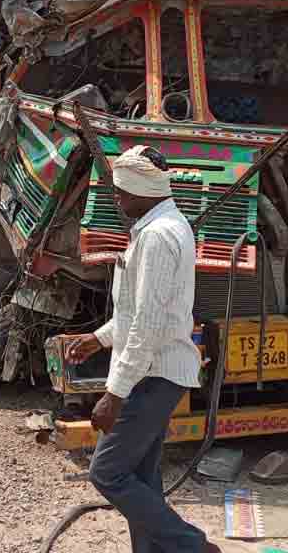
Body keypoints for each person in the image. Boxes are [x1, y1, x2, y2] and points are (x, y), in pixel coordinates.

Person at [62, 146, 217, 553]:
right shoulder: (164, 226)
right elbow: (140, 312)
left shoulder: (157, 236)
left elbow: (148, 324)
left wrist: (114, 394)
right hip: (156, 369)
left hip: (154, 373)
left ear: (140, 191)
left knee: (107, 473)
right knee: (142, 477)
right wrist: (99, 338)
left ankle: (195, 547)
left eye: (120, 192)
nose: (117, 199)